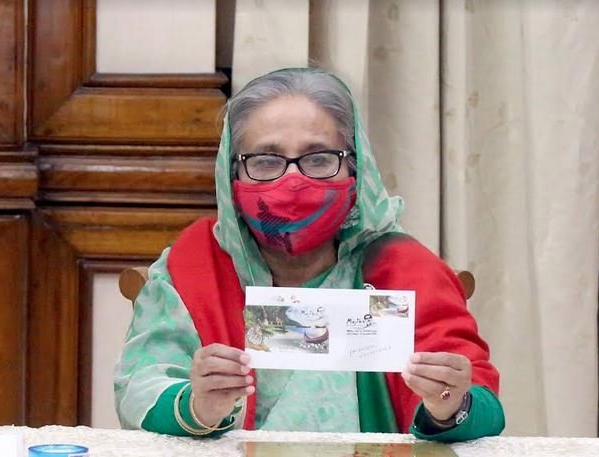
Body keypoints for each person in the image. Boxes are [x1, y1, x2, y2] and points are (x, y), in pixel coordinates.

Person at [114, 68, 505, 442]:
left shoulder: (401, 268)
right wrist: (197, 406)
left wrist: (450, 404)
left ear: (356, 170)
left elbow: (481, 403)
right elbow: (140, 387)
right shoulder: (199, 264)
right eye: (266, 161)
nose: (293, 181)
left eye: (318, 159)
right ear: (231, 175)